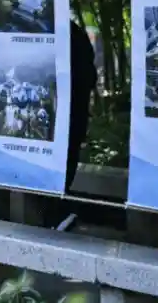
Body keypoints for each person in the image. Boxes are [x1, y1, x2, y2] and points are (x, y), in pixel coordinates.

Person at [50, 20, 98, 231]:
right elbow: (90, 74)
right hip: (72, 117)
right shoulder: (74, 33)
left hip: (64, 116)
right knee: (66, 162)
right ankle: (57, 214)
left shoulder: (55, 30)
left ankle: (55, 214)